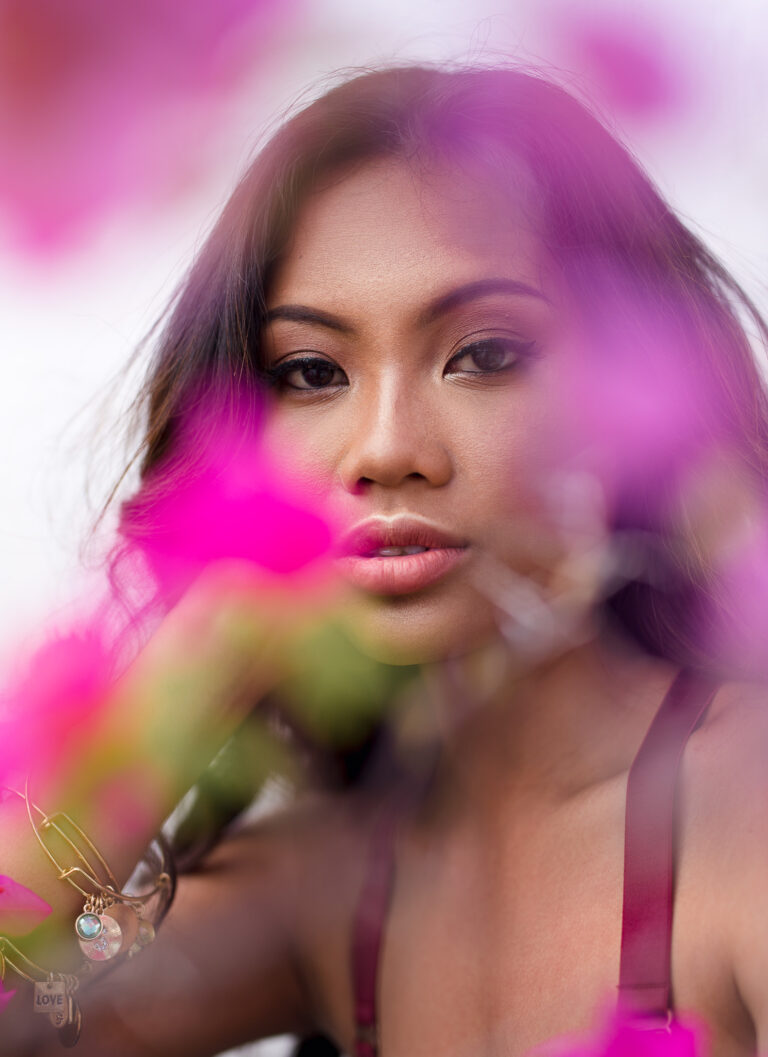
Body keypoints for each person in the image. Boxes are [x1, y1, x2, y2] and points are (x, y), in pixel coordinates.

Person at [3, 62, 768, 1057]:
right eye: (313, 372)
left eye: (487, 353)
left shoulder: (745, 811)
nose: (385, 447)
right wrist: (177, 690)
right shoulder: (331, 877)